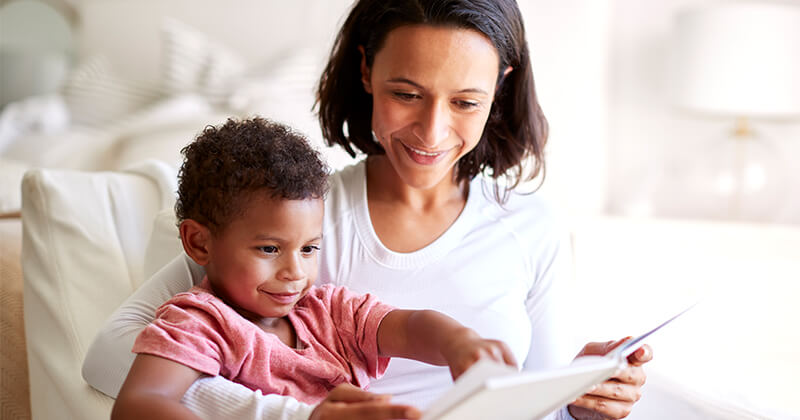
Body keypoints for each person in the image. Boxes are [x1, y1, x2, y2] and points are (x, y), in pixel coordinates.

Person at [84, 1, 653, 419]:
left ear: (500, 89)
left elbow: (533, 404)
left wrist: (580, 399)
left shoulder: (533, 226)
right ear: (366, 73)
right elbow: (112, 360)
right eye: (406, 93)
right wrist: (296, 416)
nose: (432, 132)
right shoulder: (291, 214)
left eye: (465, 102)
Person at [111, 118, 517, 420]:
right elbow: (138, 405)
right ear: (199, 242)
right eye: (269, 248)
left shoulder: (328, 312)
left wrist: (458, 344)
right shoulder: (200, 323)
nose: (294, 271)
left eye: (309, 248)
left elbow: (407, 327)